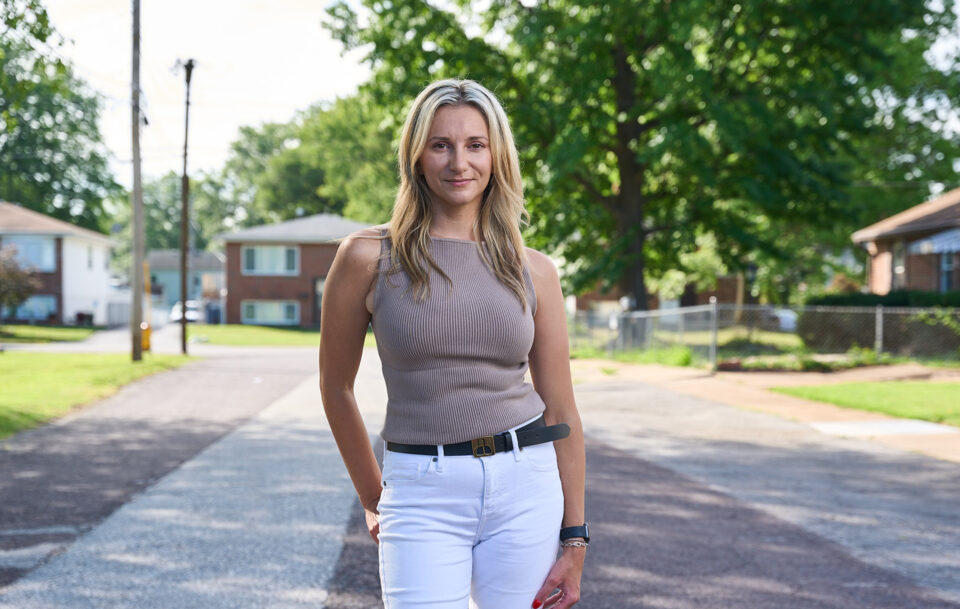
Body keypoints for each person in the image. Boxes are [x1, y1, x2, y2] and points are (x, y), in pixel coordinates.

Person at [318, 78, 587, 609]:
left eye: (475, 145)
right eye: (441, 145)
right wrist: (374, 498)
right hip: (420, 490)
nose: (458, 162)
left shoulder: (533, 269)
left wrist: (575, 537)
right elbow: (335, 388)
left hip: (526, 486)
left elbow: (561, 407)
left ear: (497, 156)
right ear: (417, 156)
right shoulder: (366, 257)